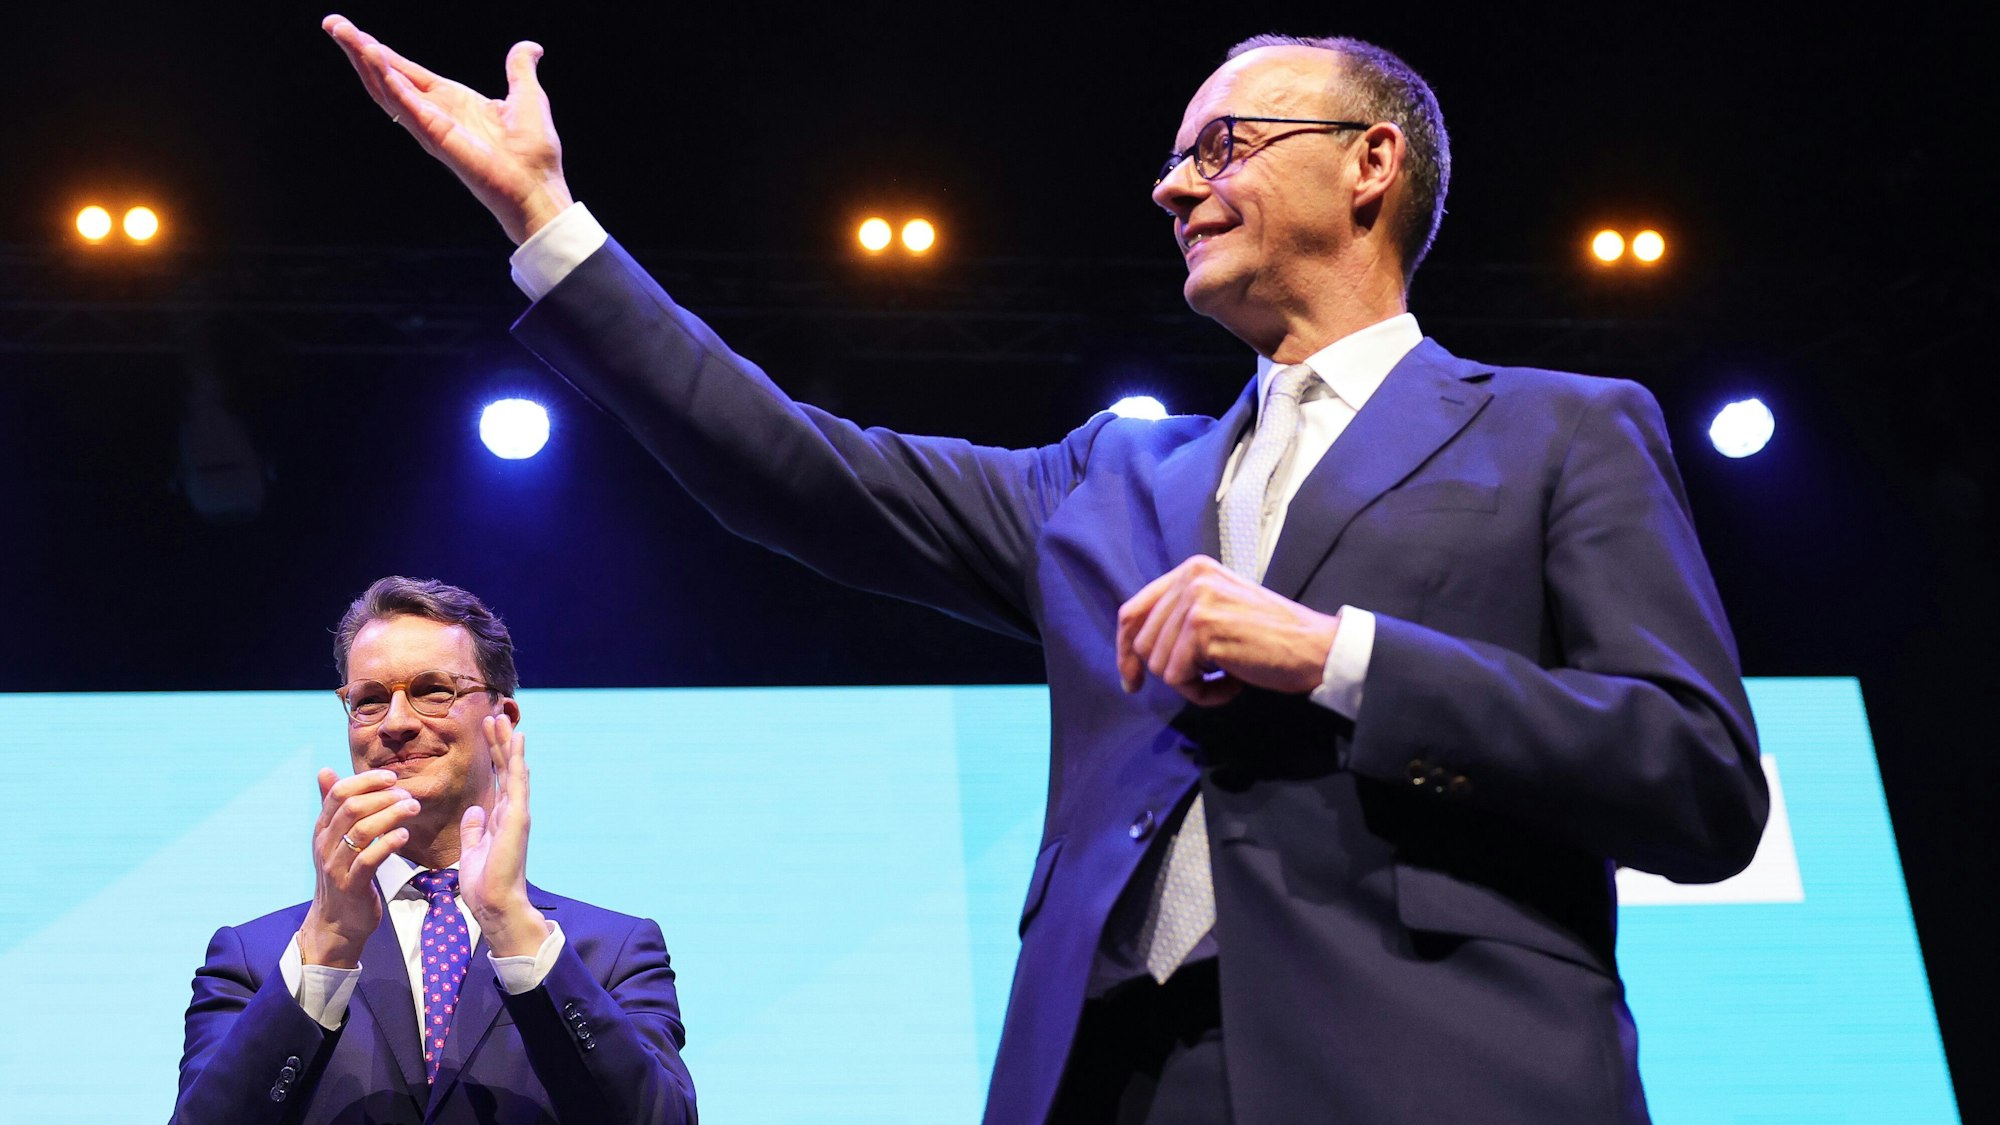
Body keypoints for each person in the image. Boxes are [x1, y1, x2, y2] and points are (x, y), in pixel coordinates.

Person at [323, 18, 1769, 1124]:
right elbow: (792, 467)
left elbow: (1699, 778)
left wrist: (1337, 656)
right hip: (1108, 1077)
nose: (1173, 184)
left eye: (1223, 145)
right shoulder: (1110, 481)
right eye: (1179, 158)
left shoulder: (1558, 430)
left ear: (1370, 163)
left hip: (1432, 1070)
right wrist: (546, 222)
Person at [172, 576, 696, 1124]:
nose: (396, 722)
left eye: (432, 690)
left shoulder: (612, 953)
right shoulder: (256, 962)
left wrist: (512, 926)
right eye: (369, 700)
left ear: (502, 719)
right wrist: (327, 947)